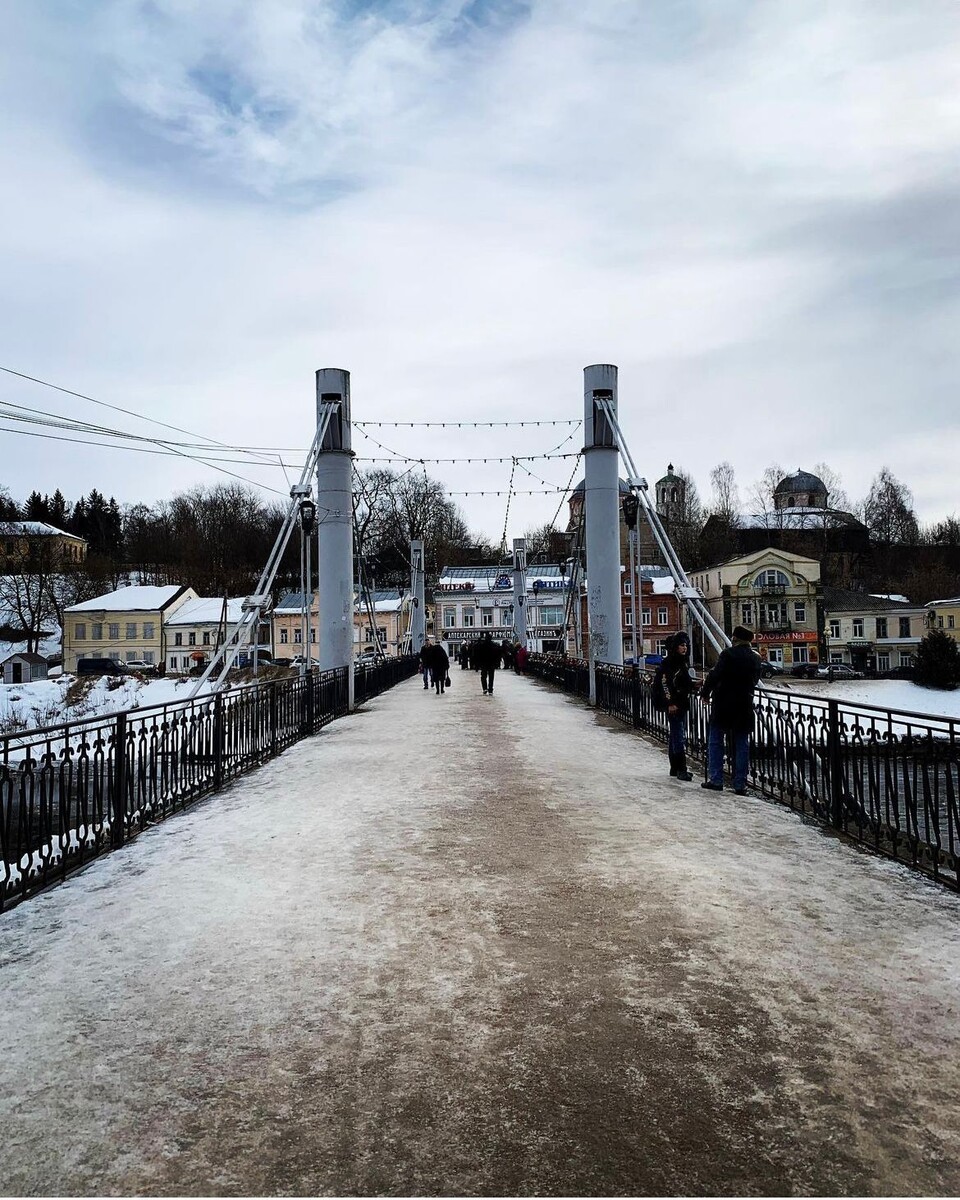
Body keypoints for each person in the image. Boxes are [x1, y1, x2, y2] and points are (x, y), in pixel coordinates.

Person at [700, 625, 762, 794]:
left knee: (716, 741)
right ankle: (740, 784)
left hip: (723, 704)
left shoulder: (727, 654)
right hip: (744, 705)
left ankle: (716, 779)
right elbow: (755, 680)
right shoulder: (756, 658)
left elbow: (715, 675)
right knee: (742, 743)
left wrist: (705, 693)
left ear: (734, 639)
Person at [656, 632, 697, 781]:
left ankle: (675, 768)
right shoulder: (670, 663)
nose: (684, 648)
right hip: (675, 704)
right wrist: (670, 703)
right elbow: (665, 684)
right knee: (678, 736)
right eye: (681, 645)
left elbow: (682, 682)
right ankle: (681, 769)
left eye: (686, 645)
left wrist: (693, 685)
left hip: (681, 702)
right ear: (675, 647)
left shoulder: (681, 662)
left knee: (675, 735)